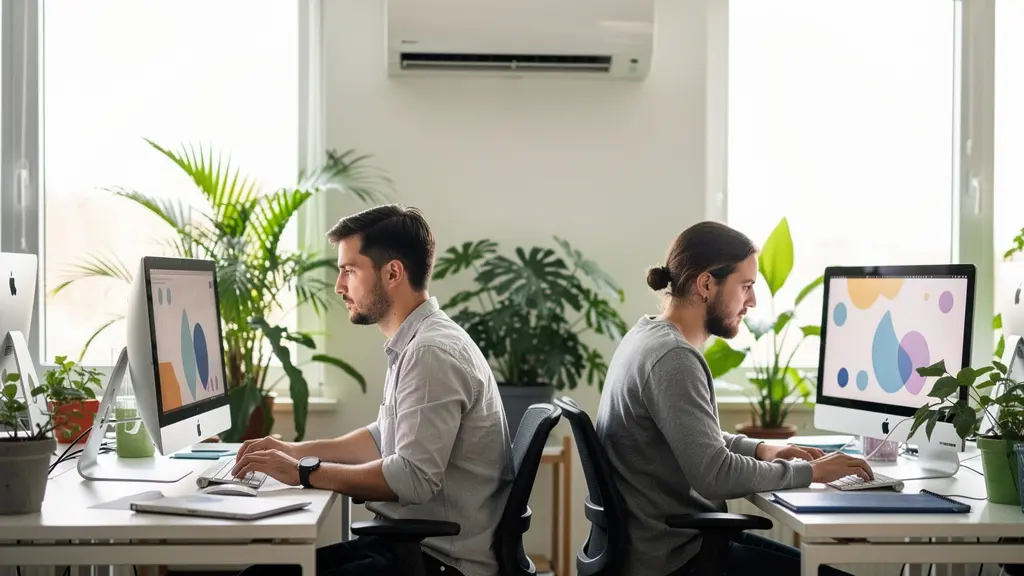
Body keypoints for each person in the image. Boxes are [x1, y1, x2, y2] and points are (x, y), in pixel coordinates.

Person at [233, 204, 514, 576]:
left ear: (392, 272)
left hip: (438, 561)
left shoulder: (431, 352)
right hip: (407, 547)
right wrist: (293, 452)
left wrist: (303, 472)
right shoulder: (416, 341)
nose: (339, 286)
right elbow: (383, 439)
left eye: (349, 270)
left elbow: (413, 477)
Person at [595, 221, 871, 576]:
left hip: (672, 544)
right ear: (706, 284)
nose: (752, 301)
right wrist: (811, 472)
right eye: (746, 286)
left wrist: (762, 449)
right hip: (677, 559)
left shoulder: (646, 336)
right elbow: (714, 474)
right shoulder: (672, 357)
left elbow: (691, 436)